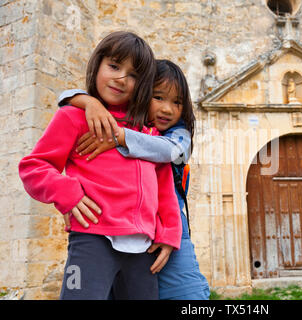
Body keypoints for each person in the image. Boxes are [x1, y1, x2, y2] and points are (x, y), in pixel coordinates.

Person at [18, 31, 182, 300]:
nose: (121, 78)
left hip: (144, 251)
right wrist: (68, 194)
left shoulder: (147, 135)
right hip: (92, 240)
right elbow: (34, 166)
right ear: (97, 65)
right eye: (114, 66)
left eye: (133, 75)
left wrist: (169, 233)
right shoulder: (74, 117)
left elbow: (164, 190)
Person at [58, 59, 210, 300]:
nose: (168, 109)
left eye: (177, 102)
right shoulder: (116, 121)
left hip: (168, 226)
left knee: (186, 293)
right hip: (119, 228)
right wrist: (88, 102)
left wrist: (121, 138)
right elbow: (65, 98)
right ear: (140, 94)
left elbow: (173, 151)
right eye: (158, 98)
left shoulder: (174, 133)